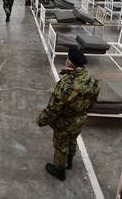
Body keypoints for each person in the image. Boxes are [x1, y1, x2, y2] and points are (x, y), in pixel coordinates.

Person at [36, 48, 99, 181]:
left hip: (65, 122)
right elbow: (93, 101)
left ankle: (60, 171)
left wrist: (42, 120)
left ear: (71, 64)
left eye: (68, 59)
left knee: (60, 146)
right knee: (72, 139)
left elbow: (54, 108)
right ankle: (69, 162)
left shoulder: (65, 84)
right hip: (80, 120)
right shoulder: (92, 80)